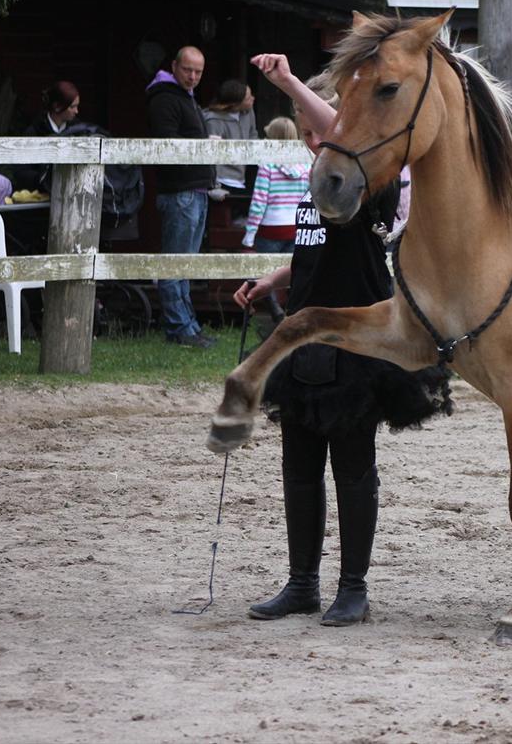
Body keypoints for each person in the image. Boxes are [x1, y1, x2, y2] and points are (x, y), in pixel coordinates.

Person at [233, 53, 451, 627]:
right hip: (302, 342)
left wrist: (286, 80)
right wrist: (274, 280)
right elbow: (315, 250)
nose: (316, 143)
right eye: (307, 137)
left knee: (353, 469)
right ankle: (301, 583)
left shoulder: (371, 187)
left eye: (322, 133)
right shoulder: (320, 189)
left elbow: (335, 129)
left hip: (357, 346)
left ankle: (353, 588)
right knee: (299, 469)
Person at [146, 46, 217, 348]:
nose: (192, 76)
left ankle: (188, 326)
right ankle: (180, 329)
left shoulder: (184, 97)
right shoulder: (164, 97)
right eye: (187, 69)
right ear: (174, 66)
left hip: (195, 189)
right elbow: (168, 143)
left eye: (198, 72)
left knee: (184, 263)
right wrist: (204, 143)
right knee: (175, 263)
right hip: (179, 190)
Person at [242, 116, 308, 252]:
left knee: (268, 272)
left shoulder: (267, 166)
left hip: (270, 229)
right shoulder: (306, 166)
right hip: (297, 227)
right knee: (291, 271)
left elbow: (258, 203)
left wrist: (249, 235)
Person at [15, 81, 81, 192]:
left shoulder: (78, 131)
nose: (76, 111)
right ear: (57, 107)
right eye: (72, 107)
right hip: (40, 197)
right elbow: (21, 171)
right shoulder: (34, 132)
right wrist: (44, 179)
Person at [202, 79, 258, 197]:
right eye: (248, 98)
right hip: (222, 180)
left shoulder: (248, 112)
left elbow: (253, 136)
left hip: (242, 177)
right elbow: (211, 156)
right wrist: (214, 185)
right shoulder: (213, 120)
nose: (253, 98)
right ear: (235, 104)